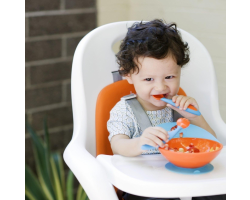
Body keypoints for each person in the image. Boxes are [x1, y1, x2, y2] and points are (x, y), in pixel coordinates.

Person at [107, 19, 225, 200]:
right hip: (145, 186)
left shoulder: (180, 105)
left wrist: (194, 117)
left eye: (169, 77)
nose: (161, 87)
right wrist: (139, 143)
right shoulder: (124, 110)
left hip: (185, 178)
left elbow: (211, 141)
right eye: (149, 80)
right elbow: (117, 146)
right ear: (127, 75)